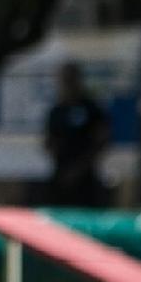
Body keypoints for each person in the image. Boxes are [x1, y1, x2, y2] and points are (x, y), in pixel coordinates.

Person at [43, 61, 111, 207]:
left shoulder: (91, 108)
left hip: (86, 179)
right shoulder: (57, 111)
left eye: (71, 79)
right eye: (64, 80)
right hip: (61, 177)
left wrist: (79, 168)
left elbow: (101, 140)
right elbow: (49, 140)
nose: (67, 84)